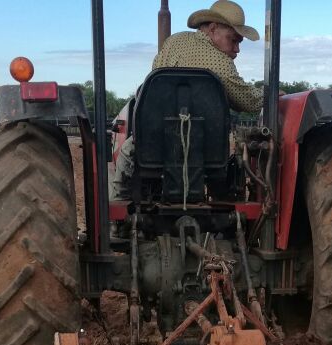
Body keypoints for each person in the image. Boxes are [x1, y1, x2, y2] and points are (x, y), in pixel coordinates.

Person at [111, 0, 262, 199]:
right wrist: (269, 93)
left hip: (154, 145)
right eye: (233, 40)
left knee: (126, 159)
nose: (237, 49)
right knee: (228, 183)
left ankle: (118, 217)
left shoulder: (172, 42)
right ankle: (224, 205)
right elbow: (248, 101)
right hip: (209, 151)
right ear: (212, 29)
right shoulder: (221, 63)